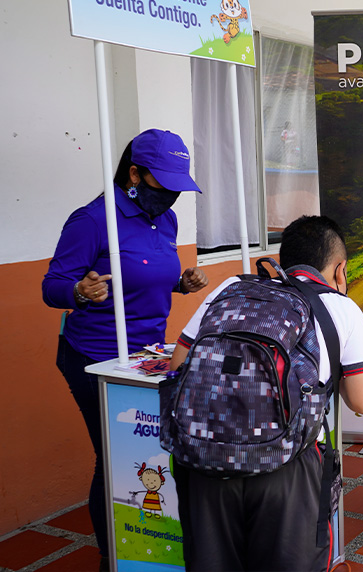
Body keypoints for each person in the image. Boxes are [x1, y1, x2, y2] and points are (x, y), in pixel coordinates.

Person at [168, 215, 363, 572]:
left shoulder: (231, 288)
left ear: (283, 260)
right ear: (341, 269)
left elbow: (179, 363)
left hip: (203, 461)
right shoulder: (342, 309)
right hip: (285, 469)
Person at [41, 128, 209, 565]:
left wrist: (180, 283)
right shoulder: (94, 220)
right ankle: (114, 556)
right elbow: (52, 285)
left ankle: (154, 544)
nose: (171, 195)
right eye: (164, 184)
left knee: (149, 452)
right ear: (134, 173)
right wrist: (79, 291)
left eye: (178, 186)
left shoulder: (164, 220)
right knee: (116, 454)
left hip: (146, 356)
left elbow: (143, 276)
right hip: (96, 357)